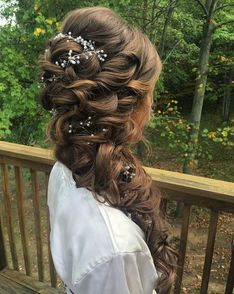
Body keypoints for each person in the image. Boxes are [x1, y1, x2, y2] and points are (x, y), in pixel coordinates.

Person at [39, 7, 177, 294]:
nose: (151, 106)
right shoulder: (115, 249)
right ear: (130, 106)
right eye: (150, 92)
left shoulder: (64, 169)